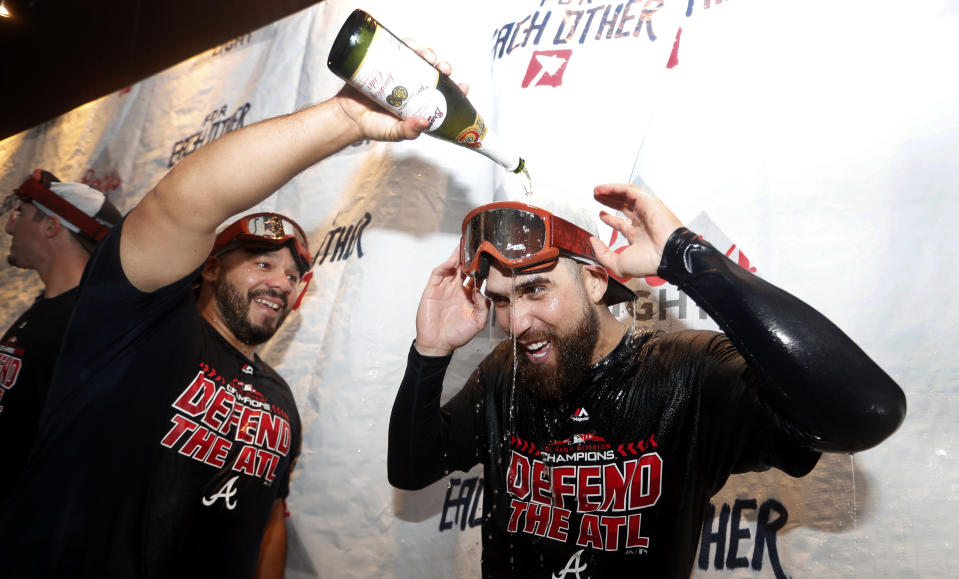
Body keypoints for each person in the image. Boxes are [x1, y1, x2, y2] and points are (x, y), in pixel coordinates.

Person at [0, 45, 455, 578]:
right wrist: (344, 118)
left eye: (291, 275)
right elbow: (184, 204)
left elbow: (267, 525)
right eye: (262, 263)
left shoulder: (278, 399)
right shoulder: (141, 327)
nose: (280, 283)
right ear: (209, 267)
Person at [388, 184, 907, 578]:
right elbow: (413, 470)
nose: (515, 322)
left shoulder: (689, 374)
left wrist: (689, 259)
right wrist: (429, 354)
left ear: (594, 279)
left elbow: (867, 411)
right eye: (501, 299)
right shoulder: (507, 371)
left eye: (536, 290)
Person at [0, 170, 122, 507]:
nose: (10, 227)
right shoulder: (46, 310)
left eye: (20, 215)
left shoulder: (89, 325)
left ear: (51, 226)